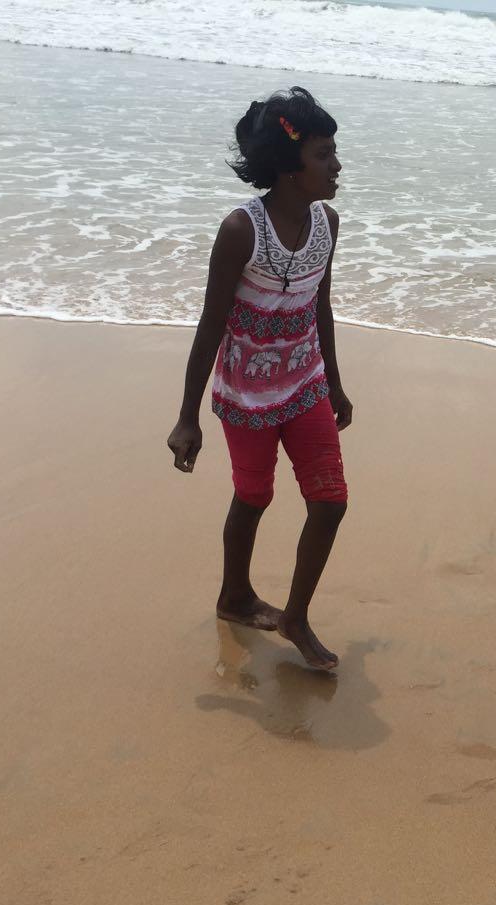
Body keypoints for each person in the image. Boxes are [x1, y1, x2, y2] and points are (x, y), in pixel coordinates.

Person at [167, 87, 350, 672]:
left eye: (334, 151)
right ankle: (235, 596)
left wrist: (336, 383)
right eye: (323, 154)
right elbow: (210, 324)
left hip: (306, 384)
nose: (337, 165)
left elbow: (320, 306)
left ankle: (295, 617)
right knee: (253, 497)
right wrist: (187, 416)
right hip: (246, 394)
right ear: (291, 168)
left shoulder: (327, 224)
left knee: (330, 502)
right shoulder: (241, 230)